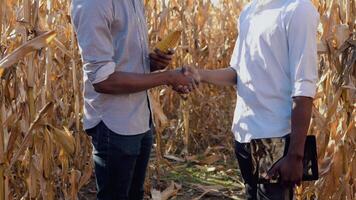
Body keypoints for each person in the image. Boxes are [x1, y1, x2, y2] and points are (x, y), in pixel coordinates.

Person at [184, 0, 319, 199]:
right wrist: (200, 75)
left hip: (275, 140)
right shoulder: (250, 11)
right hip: (244, 135)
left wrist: (295, 155)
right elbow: (237, 72)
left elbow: (304, 87)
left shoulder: (299, 9)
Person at [71, 0, 196, 199]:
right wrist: (167, 77)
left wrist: (152, 63)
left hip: (140, 117)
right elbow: (103, 81)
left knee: (134, 194)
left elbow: (125, 61)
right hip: (114, 123)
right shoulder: (93, 4)